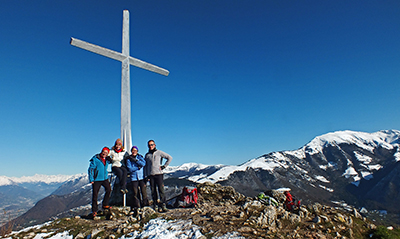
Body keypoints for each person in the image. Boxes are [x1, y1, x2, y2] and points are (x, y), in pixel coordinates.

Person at [144, 140, 172, 212]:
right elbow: (146, 166)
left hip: (159, 174)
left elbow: (169, 158)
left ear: (155, 145)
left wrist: (164, 166)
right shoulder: (147, 155)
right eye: (149, 145)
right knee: (153, 191)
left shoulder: (159, 153)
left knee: (161, 190)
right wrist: (146, 175)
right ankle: (155, 205)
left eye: (152, 145)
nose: (150, 146)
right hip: (151, 175)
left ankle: (163, 205)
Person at [88, 147, 112, 218]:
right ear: (101, 152)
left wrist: (110, 159)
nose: (105, 153)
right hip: (97, 179)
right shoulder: (95, 159)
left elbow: (112, 161)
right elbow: (91, 169)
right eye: (104, 152)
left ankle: (105, 204)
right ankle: (94, 210)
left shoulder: (107, 160)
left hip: (105, 178)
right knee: (95, 195)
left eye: (106, 152)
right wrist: (91, 179)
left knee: (109, 190)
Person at [125, 146, 149, 214]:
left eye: (135, 150)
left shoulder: (140, 157)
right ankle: (137, 205)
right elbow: (130, 169)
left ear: (137, 151)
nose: (134, 151)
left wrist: (136, 161)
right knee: (135, 193)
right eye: (133, 150)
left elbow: (143, 164)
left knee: (143, 191)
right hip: (134, 178)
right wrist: (137, 168)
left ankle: (145, 205)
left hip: (141, 177)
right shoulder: (128, 159)